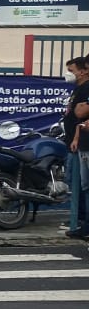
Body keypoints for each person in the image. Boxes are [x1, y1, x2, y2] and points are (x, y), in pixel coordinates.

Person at [64, 56, 89, 239]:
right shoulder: (79, 89)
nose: (68, 74)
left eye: (71, 71)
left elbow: (81, 112)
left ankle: (81, 219)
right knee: (82, 184)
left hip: (83, 143)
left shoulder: (86, 87)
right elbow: (79, 113)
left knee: (82, 184)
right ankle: (83, 222)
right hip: (81, 142)